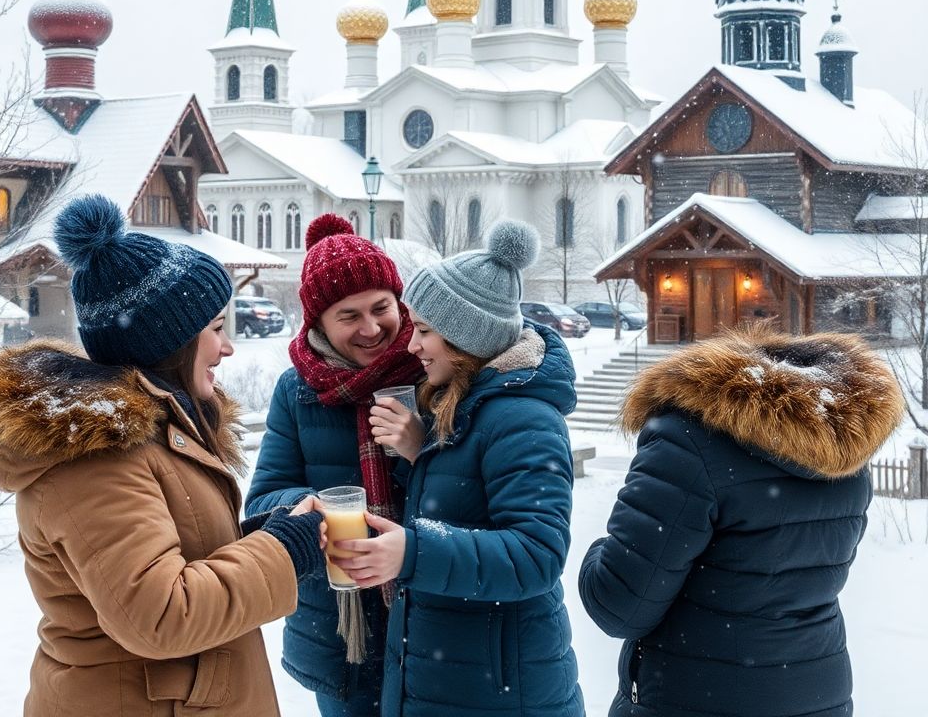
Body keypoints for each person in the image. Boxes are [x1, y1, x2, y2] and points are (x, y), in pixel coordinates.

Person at [0, 195, 326, 717]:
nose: (227, 348)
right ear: (171, 341)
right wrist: (283, 554)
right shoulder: (98, 456)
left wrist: (261, 536)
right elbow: (159, 615)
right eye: (216, 329)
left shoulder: (155, 432)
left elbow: (166, 552)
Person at [578, 326, 906, 717]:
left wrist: (599, 551)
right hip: (816, 693)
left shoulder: (688, 439)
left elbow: (619, 605)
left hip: (698, 696)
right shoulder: (843, 458)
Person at [334, 220, 586, 717]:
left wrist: (413, 552)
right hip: (454, 679)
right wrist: (419, 450)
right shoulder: (460, 405)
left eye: (425, 331)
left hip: (501, 691)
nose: (412, 346)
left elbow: (537, 555)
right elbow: (465, 500)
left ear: (466, 338)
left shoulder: (524, 418)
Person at [245, 213, 425, 717]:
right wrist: (309, 507)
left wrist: (419, 449)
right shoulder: (297, 391)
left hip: (430, 616)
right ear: (318, 322)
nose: (371, 328)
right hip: (341, 632)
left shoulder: (431, 371)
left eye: (381, 307)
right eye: (349, 316)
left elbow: (464, 491)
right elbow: (263, 499)